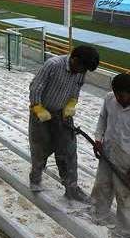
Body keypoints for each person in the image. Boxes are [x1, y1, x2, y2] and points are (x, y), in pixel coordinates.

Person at [28, 46, 99, 202]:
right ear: (74, 60)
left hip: (62, 115)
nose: (82, 72)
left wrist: (71, 104)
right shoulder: (53, 65)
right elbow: (35, 87)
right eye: (82, 68)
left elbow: (76, 90)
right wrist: (38, 107)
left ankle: (71, 188)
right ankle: (36, 175)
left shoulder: (81, 71)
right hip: (41, 113)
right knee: (41, 148)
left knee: (68, 152)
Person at [91, 73, 130, 236]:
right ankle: (99, 220)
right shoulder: (109, 99)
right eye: (116, 93)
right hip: (107, 153)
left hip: (127, 161)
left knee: (125, 196)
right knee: (102, 187)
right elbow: (102, 119)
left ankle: (126, 231)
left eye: (122, 95)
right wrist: (98, 139)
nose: (118, 98)